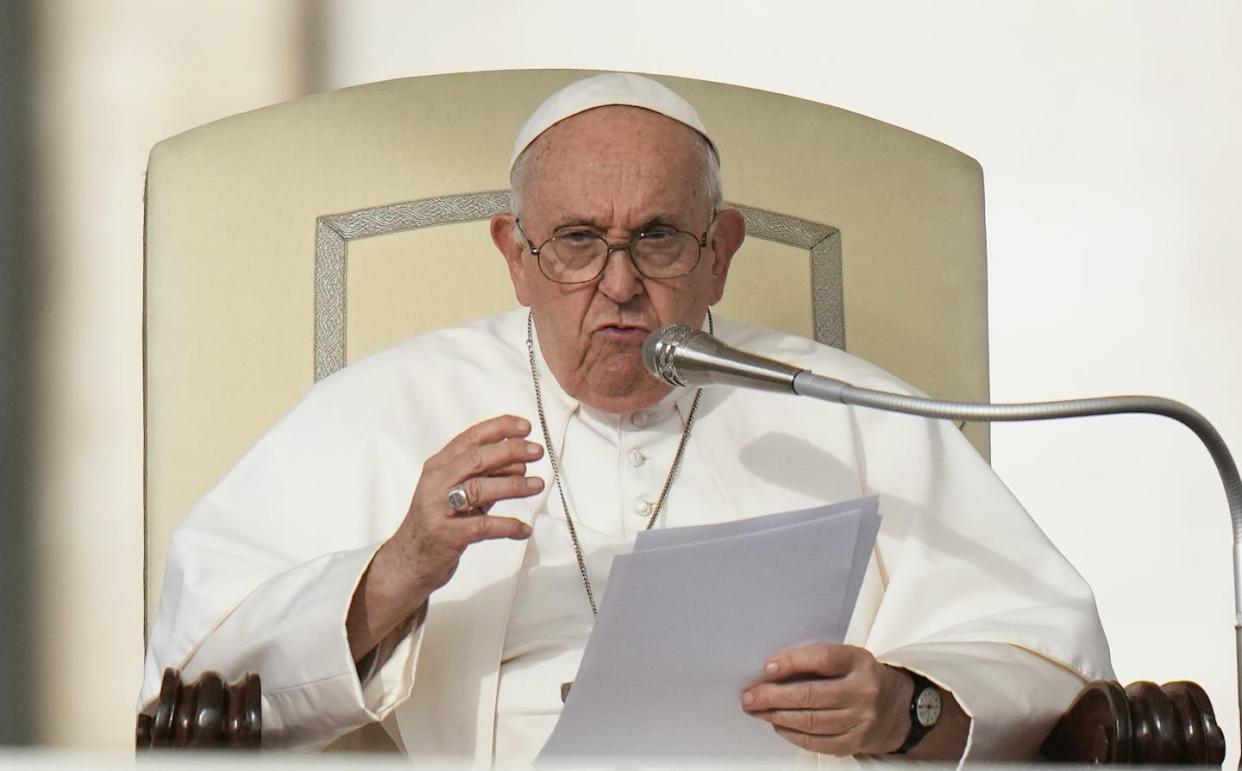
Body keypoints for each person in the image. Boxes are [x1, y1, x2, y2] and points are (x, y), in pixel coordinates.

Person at [140, 73, 1112, 765]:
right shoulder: (383, 406)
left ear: (720, 250)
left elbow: (1038, 651)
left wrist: (904, 706)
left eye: (656, 237)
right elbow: (197, 671)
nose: (618, 285)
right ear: (514, 255)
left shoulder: (850, 409)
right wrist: (398, 570)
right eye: (575, 242)